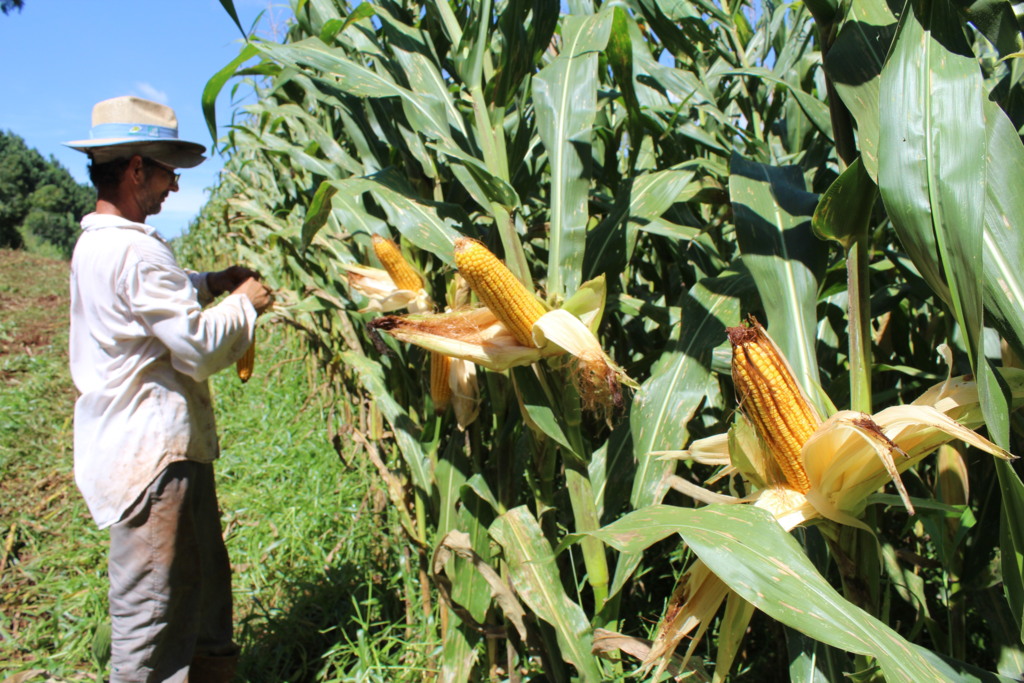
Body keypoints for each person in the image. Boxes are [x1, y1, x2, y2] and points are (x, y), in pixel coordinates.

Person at [65, 95, 273, 682]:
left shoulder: (100, 242)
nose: (174, 187)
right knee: (153, 615)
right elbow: (198, 349)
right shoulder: (135, 249)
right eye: (168, 173)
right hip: (152, 456)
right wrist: (243, 303)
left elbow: (151, 295)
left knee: (200, 585)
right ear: (136, 169)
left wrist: (209, 283)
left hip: (156, 448)